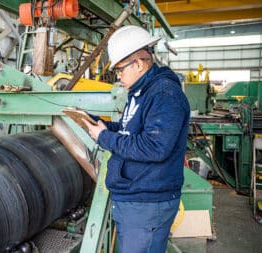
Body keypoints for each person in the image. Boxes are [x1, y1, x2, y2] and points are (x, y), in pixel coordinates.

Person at [82, 25, 190, 253]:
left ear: (139, 64)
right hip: (136, 199)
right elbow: (130, 130)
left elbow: (154, 147)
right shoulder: (140, 92)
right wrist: (102, 126)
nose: (118, 76)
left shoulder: (163, 94)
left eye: (120, 69)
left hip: (147, 203)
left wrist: (104, 138)